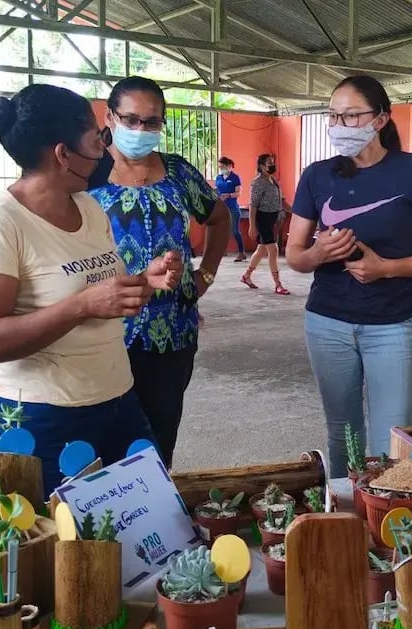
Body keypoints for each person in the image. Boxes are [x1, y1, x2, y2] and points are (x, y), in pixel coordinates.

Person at [0, 83, 184, 494]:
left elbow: (98, 287)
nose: (106, 149)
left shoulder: (89, 208)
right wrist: (81, 306)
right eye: (98, 138)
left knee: (140, 531)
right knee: (47, 549)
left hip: (116, 400)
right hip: (38, 418)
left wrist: (142, 281)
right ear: (63, 153)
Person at [286, 75, 412, 477]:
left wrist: (386, 268)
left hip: (392, 325)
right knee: (342, 434)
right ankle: (344, 518)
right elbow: (294, 255)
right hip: (327, 322)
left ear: (380, 120)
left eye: (350, 116)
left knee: (392, 440)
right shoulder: (316, 176)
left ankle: (385, 520)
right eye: (332, 116)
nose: (337, 126)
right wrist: (318, 253)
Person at [89, 76, 230, 468]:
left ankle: (149, 519)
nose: (140, 130)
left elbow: (219, 219)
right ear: (110, 117)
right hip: (103, 332)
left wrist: (206, 275)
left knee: (159, 438)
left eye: (152, 122)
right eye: (131, 119)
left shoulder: (178, 172)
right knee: (101, 441)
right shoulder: (88, 176)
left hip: (172, 332)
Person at [240, 154, 291, 294]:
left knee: (262, 249)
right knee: (273, 249)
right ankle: (278, 284)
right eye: (269, 163)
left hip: (272, 219)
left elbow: (282, 201)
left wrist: (295, 211)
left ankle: (246, 276)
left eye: (273, 162)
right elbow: (253, 205)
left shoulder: (273, 181)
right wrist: (252, 225)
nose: (272, 164)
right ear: (262, 166)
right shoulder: (257, 182)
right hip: (262, 219)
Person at [215, 156, 245, 261]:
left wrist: (228, 195)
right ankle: (221, 251)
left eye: (222, 166)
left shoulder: (235, 177)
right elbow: (217, 190)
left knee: (235, 231)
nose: (221, 169)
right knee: (220, 230)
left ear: (228, 166)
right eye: (219, 167)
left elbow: (238, 193)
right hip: (221, 208)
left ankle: (241, 252)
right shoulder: (218, 178)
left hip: (232, 208)